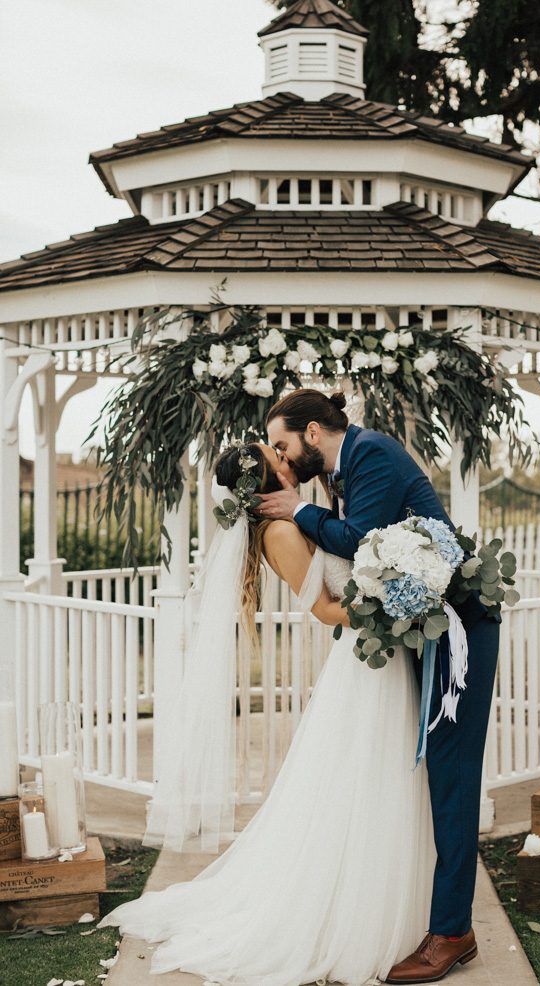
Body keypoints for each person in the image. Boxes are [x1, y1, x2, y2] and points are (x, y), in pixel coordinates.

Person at [99, 439, 436, 986]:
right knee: (369, 779)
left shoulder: (303, 514)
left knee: (380, 778)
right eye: (276, 454)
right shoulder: (280, 533)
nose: (288, 457)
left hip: (380, 656)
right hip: (368, 655)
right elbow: (327, 608)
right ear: (263, 480)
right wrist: (394, 595)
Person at [258, 389, 499, 984]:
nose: (285, 461)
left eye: (286, 445)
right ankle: (446, 920)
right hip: (428, 628)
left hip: (458, 630)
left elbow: (361, 538)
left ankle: (452, 933)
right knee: (437, 772)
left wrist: (297, 510)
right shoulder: (345, 467)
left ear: (314, 432)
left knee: (452, 773)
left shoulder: (371, 456)